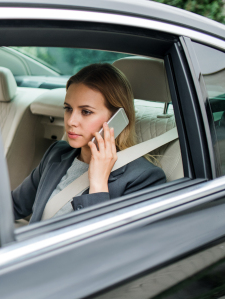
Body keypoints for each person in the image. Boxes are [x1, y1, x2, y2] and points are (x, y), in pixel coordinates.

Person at [12, 63, 166, 223]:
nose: (71, 121)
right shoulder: (56, 153)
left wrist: (98, 184)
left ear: (118, 117)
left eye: (86, 112)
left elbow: (106, 245)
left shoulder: (144, 178)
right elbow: (15, 206)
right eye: (68, 108)